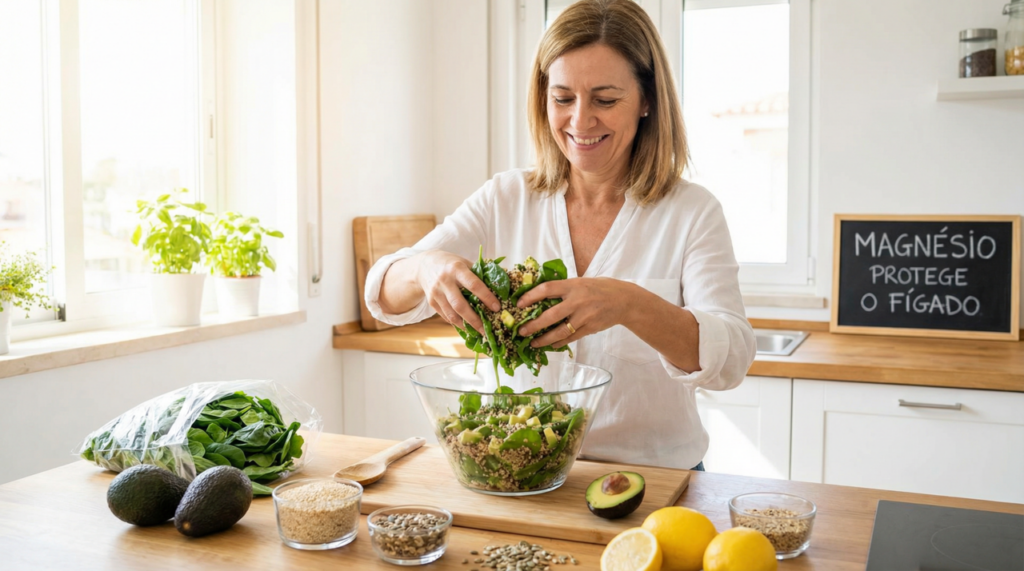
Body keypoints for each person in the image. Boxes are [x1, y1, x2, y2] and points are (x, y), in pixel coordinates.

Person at [364, 0, 755, 471]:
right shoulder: (505, 198)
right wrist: (426, 266)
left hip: (655, 482)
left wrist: (628, 303)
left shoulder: (691, 212)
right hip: (521, 472)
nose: (580, 121)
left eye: (605, 100)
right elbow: (385, 293)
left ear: (648, 100)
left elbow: (730, 359)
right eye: (563, 98)